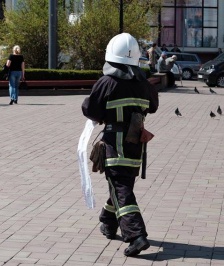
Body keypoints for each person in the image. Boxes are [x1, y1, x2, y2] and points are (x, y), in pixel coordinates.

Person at [81, 33, 159, 257]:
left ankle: (136, 236)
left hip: (115, 146)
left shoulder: (107, 82)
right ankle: (107, 220)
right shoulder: (144, 85)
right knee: (122, 185)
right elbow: (152, 107)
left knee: (121, 189)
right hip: (135, 147)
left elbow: (91, 110)